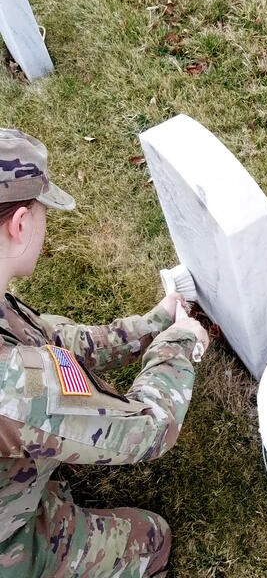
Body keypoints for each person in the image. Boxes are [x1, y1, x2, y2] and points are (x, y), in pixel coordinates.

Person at [0, 128, 210, 576]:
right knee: (151, 539)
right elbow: (150, 429)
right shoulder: (16, 387)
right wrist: (179, 343)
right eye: (42, 213)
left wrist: (151, 325)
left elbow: (43, 340)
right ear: (20, 224)